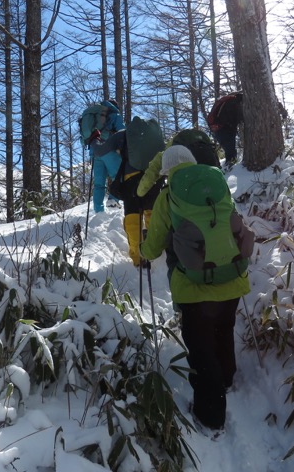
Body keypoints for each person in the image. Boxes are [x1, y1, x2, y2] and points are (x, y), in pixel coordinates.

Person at [140, 145, 253, 433]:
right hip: (232, 277)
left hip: (194, 286)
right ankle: (227, 378)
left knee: (200, 349)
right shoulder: (217, 184)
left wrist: (144, 246)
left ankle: (211, 417)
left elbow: (153, 248)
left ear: (167, 171)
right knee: (224, 328)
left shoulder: (169, 195)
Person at [90, 123, 163, 265]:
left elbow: (100, 151)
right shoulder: (153, 135)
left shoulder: (122, 134)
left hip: (132, 178)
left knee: (133, 218)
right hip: (154, 177)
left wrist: (94, 140)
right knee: (152, 213)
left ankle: (138, 258)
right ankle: (156, 253)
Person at [136, 128, 219, 200]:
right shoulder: (204, 142)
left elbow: (150, 175)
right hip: (209, 165)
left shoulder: (166, 154)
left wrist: (139, 193)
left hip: (186, 181)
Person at [85, 100, 125, 213]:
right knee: (118, 176)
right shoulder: (115, 114)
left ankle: (98, 210)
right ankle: (113, 200)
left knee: (99, 183)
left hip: (95, 152)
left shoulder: (95, 115)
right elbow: (122, 131)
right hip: (108, 149)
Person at [206, 92, 243, 168]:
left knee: (229, 151)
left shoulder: (226, 102)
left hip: (218, 130)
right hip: (225, 129)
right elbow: (235, 117)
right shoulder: (233, 103)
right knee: (230, 152)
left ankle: (229, 167)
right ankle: (230, 168)